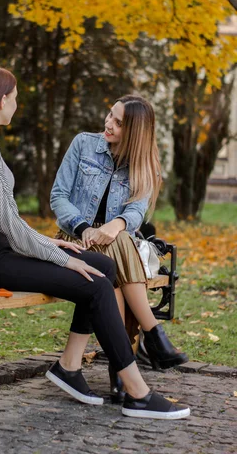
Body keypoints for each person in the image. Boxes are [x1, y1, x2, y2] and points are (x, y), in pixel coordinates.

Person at [0, 66, 190, 420]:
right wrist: (61, 256)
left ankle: (70, 367)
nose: (17, 104)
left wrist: (62, 249)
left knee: (103, 265)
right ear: (1, 100)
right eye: (16, 97)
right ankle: (136, 390)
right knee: (96, 283)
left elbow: (9, 225)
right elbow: (10, 226)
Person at [50, 95, 188, 402]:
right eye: (109, 116)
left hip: (115, 247)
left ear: (136, 132)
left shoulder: (144, 163)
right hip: (75, 239)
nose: (108, 124)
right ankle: (150, 341)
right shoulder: (83, 145)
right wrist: (86, 228)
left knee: (117, 247)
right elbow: (58, 197)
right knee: (116, 249)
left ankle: (123, 361)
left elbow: (137, 212)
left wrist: (117, 225)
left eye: (118, 122)